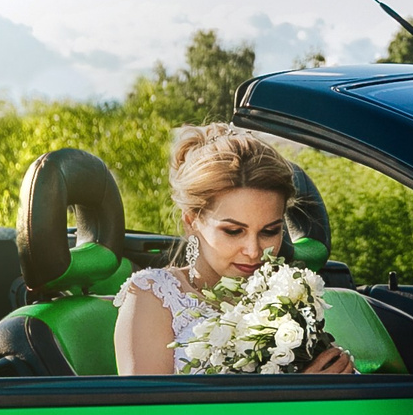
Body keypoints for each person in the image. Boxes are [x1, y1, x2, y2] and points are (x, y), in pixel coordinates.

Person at [113, 123, 357, 377]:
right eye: (233, 231)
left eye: (269, 231)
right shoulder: (152, 296)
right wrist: (294, 398)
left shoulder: (288, 294)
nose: (253, 251)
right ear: (191, 222)